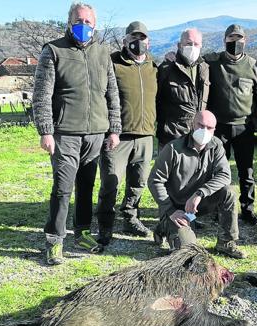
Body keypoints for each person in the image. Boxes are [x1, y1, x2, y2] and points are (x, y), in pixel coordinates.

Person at [33, 2, 121, 265]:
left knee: (86, 186)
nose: (84, 26)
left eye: (88, 22)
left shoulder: (103, 53)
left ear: (95, 25)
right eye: (79, 21)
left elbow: (112, 94)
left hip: (95, 133)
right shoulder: (53, 50)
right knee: (62, 188)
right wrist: (46, 131)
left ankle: (82, 232)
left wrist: (114, 129)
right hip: (64, 133)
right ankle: (54, 240)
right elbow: (41, 95)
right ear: (69, 22)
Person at [148, 110, 247, 259]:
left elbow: (225, 175)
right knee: (188, 252)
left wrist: (199, 194)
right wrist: (170, 209)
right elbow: (154, 180)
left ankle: (226, 242)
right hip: (176, 208)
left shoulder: (216, 145)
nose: (204, 131)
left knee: (229, 192)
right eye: (200, 125)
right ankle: (164, 226)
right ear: (192, 125)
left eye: (209, 128)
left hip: (197, 204)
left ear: (214, 129)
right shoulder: (173, 149)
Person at [96, 21, 157, 246]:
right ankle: (105, 225)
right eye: (133, 37)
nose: (138, 42)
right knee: (110, 182)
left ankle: (130, 218)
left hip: (146, 135)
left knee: (138, 182)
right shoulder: (112, 64)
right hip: (117, 136)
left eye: (142, 38)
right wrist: (109, 129)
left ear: (148, 41)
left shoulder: (154, 67)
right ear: (125, 40)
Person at [204, 24, 257, 225]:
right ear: (224, 40)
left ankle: (248, 210)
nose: (235, 42)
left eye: (239, 39)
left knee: (246, 171)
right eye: (231, 39)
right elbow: (191, 61)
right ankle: (215, 208)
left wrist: (254, 121)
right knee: (217, 171)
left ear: (245, 41)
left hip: (243, 128)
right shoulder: (212, 62)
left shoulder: (254, 66)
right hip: (219, 128)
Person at [156, 28, 209, 148]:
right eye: (188, 43)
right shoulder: (166, 68)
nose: (193, 47)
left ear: (201, 46)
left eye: (196, 44)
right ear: (179, 45)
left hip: (198, 136)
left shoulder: (205, 68)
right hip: (171, 138)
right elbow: (156, 99)